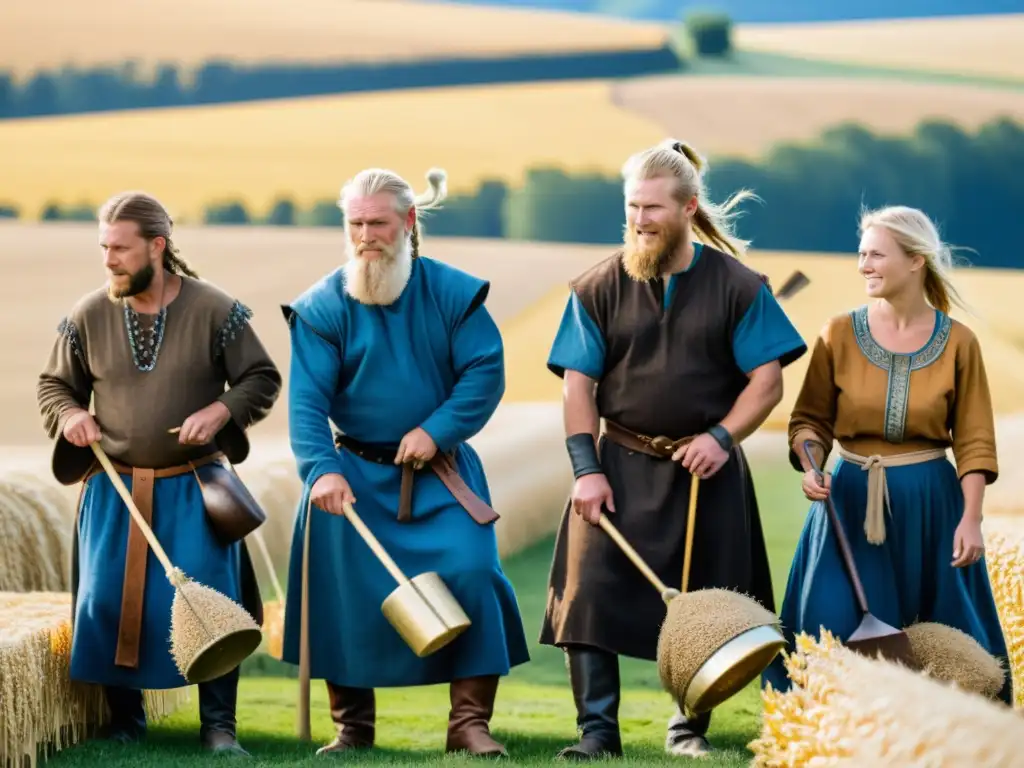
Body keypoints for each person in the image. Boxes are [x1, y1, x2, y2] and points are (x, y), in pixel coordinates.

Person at [538, 138, 808, 759]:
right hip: (616, 467)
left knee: (703, 602)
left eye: (653, 208)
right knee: (590, 593)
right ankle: (597, 733)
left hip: (704, 474)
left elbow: (767, 381)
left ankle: (689, 728)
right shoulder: (597, 287)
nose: (639, 220)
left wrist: (721, 438)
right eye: (633, 206)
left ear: (689, 208)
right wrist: (586, 470)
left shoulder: (738, 286)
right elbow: (579, 388)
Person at [278, 166, 530, 758]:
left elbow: (484, 372)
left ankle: (469, 725)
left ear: (409, 222)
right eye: (356, 223)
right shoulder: (321, 308)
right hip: (353, 478)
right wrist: (322, 470)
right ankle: (352, 730)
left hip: (441, 476)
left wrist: (436, 429)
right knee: (343, 590)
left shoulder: (453, 293)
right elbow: (307, 403)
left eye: (379, 223)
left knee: (473, 573)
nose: (367, 235)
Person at [36, 191, 282, 756]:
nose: (109, 261)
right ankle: (127, 721)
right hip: (114, 491)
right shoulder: (87, 314)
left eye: (120, 249)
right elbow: (54, 386)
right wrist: (71, 413)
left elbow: (261, 378)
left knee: (210, 603)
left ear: (157, 246)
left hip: (196, 489)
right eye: (104, 248)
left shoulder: (216, 309)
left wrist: (221, 410)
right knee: (106, 605)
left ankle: (219, 727)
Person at [761, 205, 1013, 705]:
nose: (864, 265)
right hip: (847, 503)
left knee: (947, 640)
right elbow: (809, 421)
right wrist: (812, 465)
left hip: (932, 507)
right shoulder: (836, 333)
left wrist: (970, 519)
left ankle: (954, 738)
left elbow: (974, 441)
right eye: (861, 254)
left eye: (876, 254)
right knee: (827, 627)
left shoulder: (960, 343)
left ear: (916, 260)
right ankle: (822, 733)